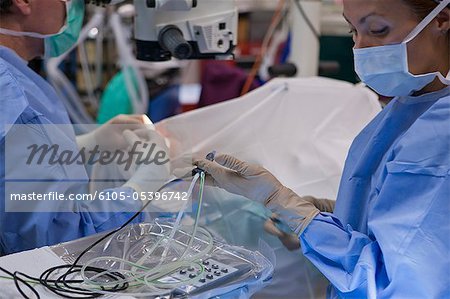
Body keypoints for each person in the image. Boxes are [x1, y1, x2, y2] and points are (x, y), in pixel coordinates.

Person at [195, 0, 450, 297]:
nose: (362, 48)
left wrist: (300, 217)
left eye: (378, 30)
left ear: (441, 19)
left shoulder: (440, 134)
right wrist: (328, 214)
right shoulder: (411, 104)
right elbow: (401, 215)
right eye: (353, 30)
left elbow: (395, 284)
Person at [0, 0, 170, 255]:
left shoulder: (12, 80)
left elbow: (9, 166)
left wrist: (83, 147)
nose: (78, 8)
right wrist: (140, 191)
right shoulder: (10, 91)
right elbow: (53, 240)